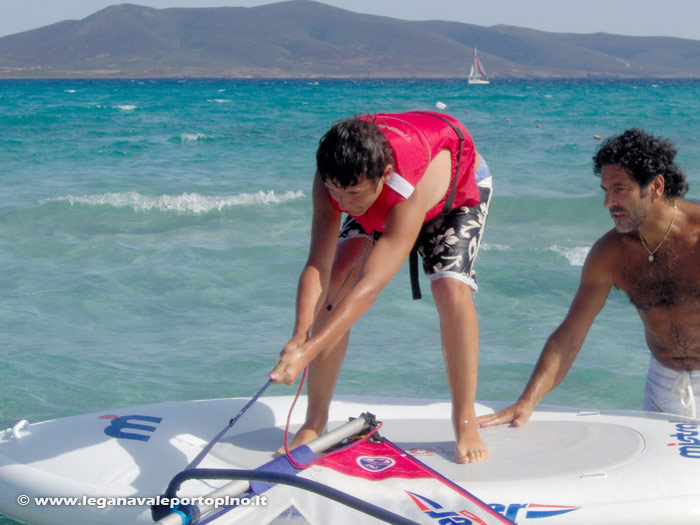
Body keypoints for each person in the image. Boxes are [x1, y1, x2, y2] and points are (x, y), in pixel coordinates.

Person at [269, 111, 493, 463]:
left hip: (452, 190)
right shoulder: (335, 176)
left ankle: (464, 421)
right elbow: (318, 264)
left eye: (352, 194)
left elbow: (371, 286)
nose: (343, 205)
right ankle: (314, 422)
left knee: (449, 287)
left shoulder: (408, 184)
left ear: (384, 174)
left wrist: (310, 350)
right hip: (379, 188)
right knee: (336, 286)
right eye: (335, 193)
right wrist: (299, 335)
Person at [477, 128, 700, 430]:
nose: (608, 203)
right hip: (664, 380)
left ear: (656, 185)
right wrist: (527, 401)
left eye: (620, 189)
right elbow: (571, 333)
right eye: (605, 190)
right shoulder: (610, 254)